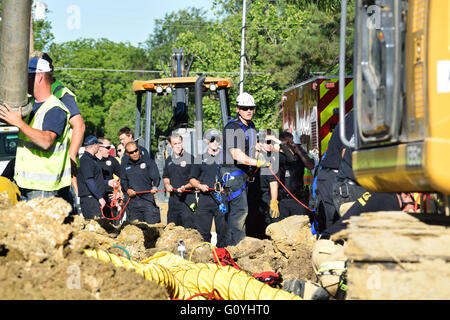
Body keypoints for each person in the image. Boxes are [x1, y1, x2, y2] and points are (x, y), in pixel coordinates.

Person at [0, 57, 72, 204]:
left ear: (38, 77)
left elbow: (46, 141)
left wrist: (19, 123)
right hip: (26, 184)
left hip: (43, 189)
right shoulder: (31, 104)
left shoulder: (55, 108)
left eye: (25, 77)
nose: (21, 82)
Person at [30, 52, 86, 198]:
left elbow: (79, 125)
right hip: (40, 166)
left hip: (57, 164)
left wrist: (72, 155)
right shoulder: (32, 93)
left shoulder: (60, 93)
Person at [220, 92, 271, 246]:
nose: (249, 111)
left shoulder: (251, 127)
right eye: (245, 108)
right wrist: (256, 162)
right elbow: (236, 154)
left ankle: (232, 244)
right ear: (237, 109)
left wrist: (259, 152)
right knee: (240, 211)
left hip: (244, 174)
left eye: (251, 108)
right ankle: (238, 247)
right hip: (232, 172)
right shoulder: (232, 128)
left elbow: (253, 146)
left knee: (243, 210)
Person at [312, 110, 354, 234]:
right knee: (334, 224)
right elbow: (346, 153)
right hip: (335, 176)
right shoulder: (356, 119)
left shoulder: (353, 117)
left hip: (334, 174)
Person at [189, 132, 228, 247]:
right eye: (212, 140)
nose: (215, 143)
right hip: (205, 199)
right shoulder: (200, 158)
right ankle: (205, 255)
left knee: (223, 231)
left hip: (221, 200)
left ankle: (222, 256)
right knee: (203, 232)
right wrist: (200, 186)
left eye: (217, 140)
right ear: (207, 141)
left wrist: (226, 186)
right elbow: (192, 179)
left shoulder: (225, 158)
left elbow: (233, 176)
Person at [120, 141, 161, 224]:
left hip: (147, 200)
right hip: (133, 202)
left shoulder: (148, 162)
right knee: (135, 230)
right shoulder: (125, 164)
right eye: (131, 152)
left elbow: (156, 177)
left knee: (152, 228)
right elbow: (123, 180)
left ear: (138, 150)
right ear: (127, 154)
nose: (135, 153)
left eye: (136, 151)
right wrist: (127, 190)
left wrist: (155, 186)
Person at [278, 131, 315, 220]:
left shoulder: (299, 156)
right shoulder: (278, 157)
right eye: (286, 143)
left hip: (298, 199)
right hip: (282, 200)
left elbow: (310, 165)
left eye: (291, 142)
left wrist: (299, 152)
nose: (289, 145)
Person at [163, 133, 196, 228]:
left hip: (188, 199)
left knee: (189, 229)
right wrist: (167, 184)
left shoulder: (190, 158)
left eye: (179, 143)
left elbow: (195, 179)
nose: (178, 146)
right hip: (173, 201)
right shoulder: (168, 160)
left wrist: (185, 187)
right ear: (170, 145)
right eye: (175, 144)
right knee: (172, 229)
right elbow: (166, 176)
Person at [76, 136, 107, 219]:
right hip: (90, 200)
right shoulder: (86, 160)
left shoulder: (89, 159)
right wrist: (100, 197)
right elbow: (89, 181)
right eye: (98, 145)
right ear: (94, 145)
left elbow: (95, 180)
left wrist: (107, 182)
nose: (99, 148)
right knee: (95, 228)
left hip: (92, 199)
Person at [95, 137, 122, 221]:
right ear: (99, 147)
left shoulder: (112, 160)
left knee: (110, 224)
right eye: (107, 147)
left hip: (109, 197)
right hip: (95, 196)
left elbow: (123, 177)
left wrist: (119, 192)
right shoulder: (91, 160)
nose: (109, 150)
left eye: (110, 147)